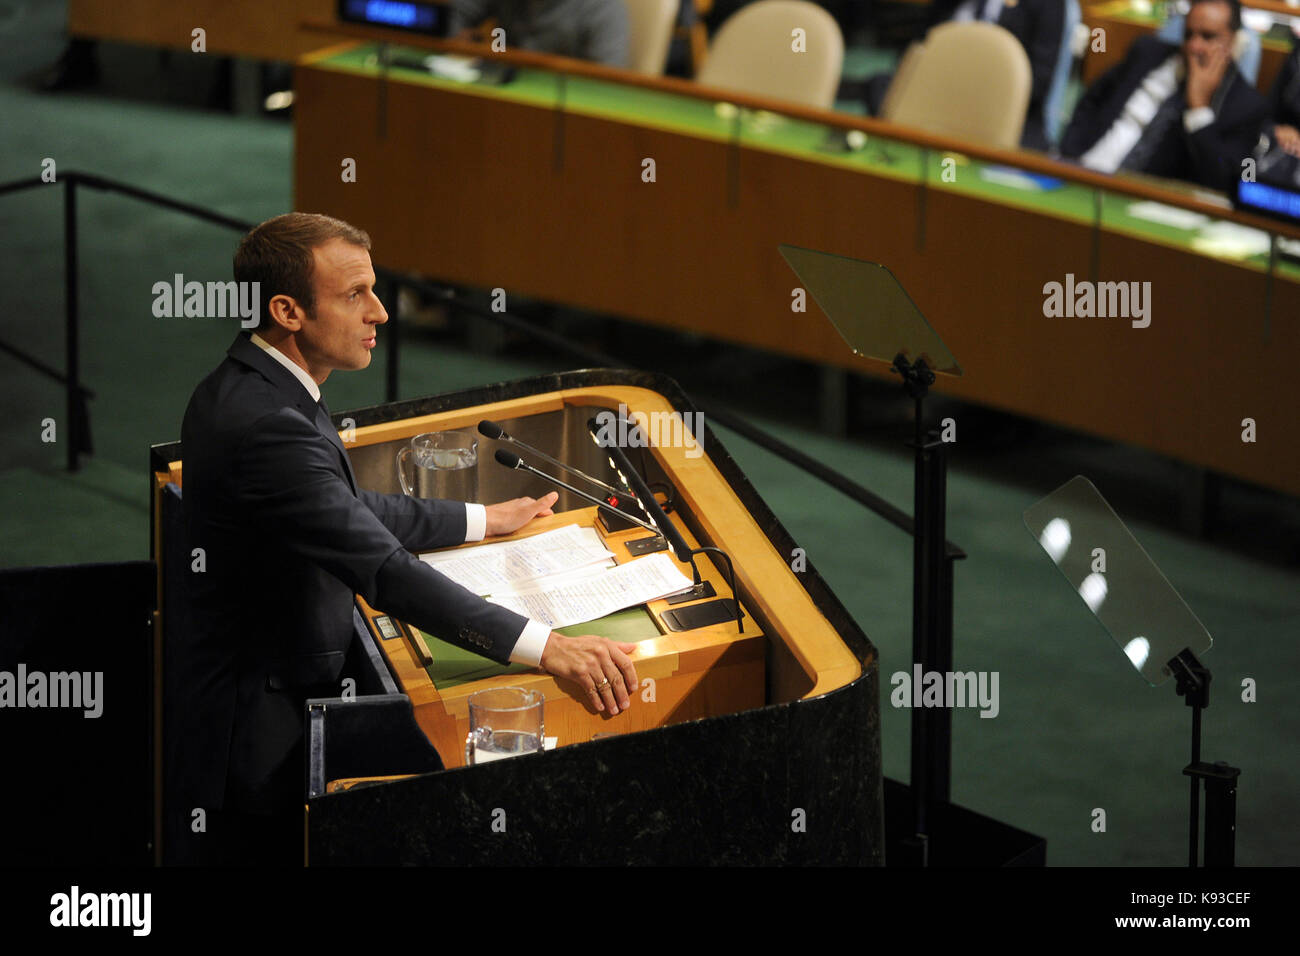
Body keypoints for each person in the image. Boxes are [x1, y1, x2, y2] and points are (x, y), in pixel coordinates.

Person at [171, 213, 638, 864]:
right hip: (253, 738)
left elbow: (345, 506)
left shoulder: (259, 384)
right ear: (287, 310)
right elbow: (385, 571)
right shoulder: (267, 424)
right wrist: (549, 649)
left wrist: (482, 519)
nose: (381, 314)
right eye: (354, 294)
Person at [1059, 0, 1267, 191]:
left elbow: (1225, 181)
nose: (1194, 46)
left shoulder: (1246, 106)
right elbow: (1092, 100)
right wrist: (1071, 152)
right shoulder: (1146, 53)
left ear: (1233, 41)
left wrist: (1199, 110)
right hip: (1080, 169)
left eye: (1208, 37)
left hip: (1142, 198)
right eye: (1188, 34)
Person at [858, 0, 1067, 150]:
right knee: (880, 86)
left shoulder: (1049, 5)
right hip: (934, 96)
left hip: (997, 110)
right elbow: (917, 47)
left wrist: (966, 92)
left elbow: (1038, 83)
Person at [448, 0, 631, 67]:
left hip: (564, 111)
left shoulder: (604, 7)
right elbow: (452, 16)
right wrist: (461, 42)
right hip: (499, 90)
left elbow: (606, 84)